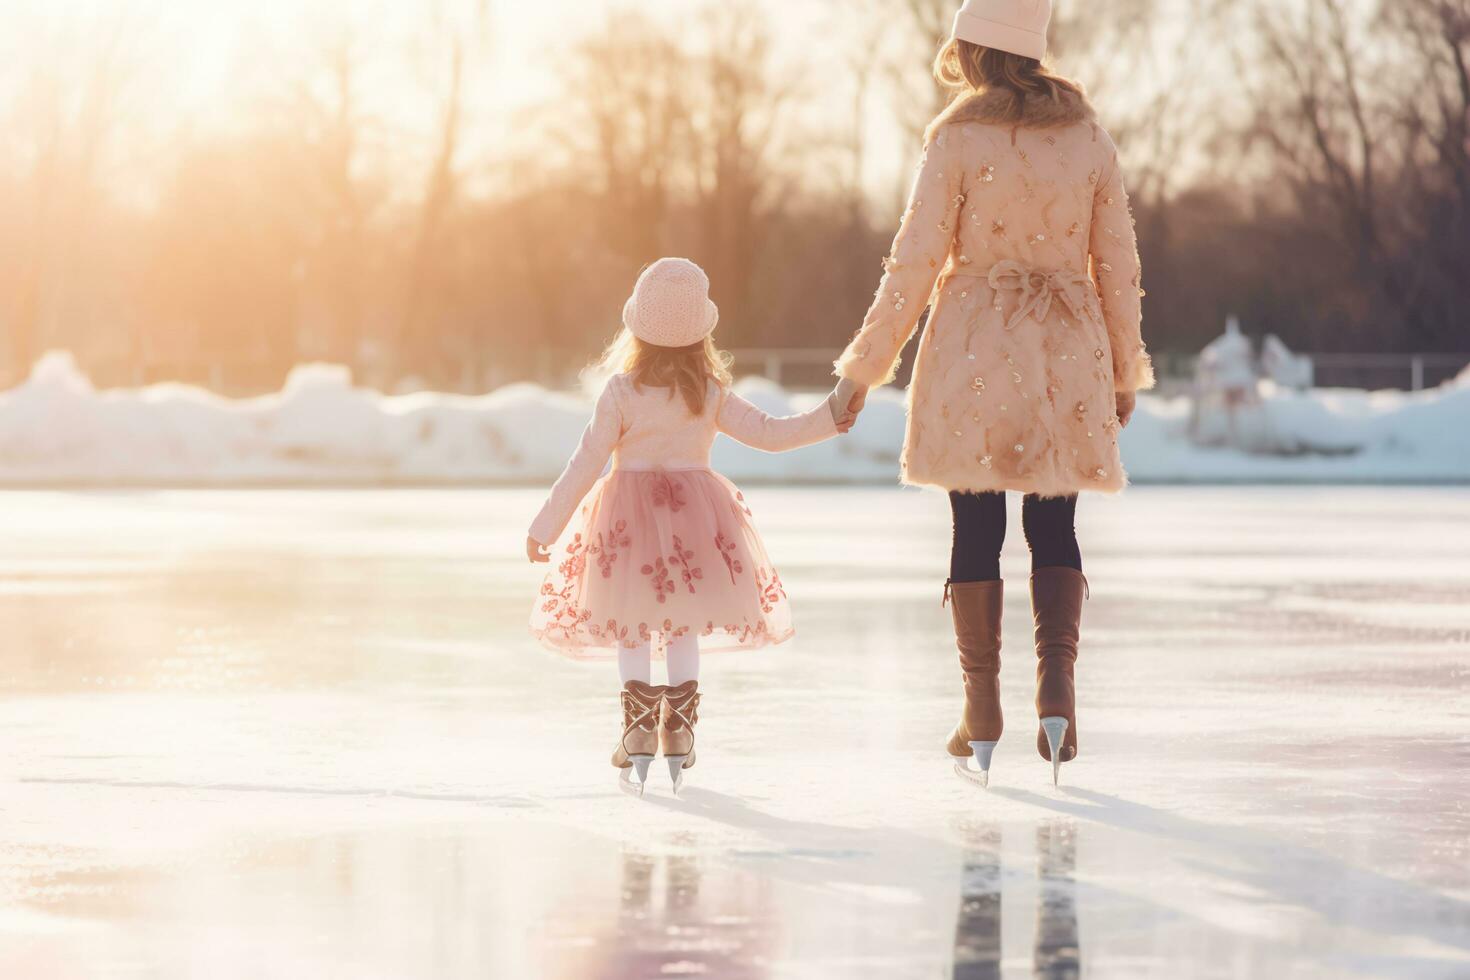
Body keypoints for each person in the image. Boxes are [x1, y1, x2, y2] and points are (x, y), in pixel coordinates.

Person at [832, 0, 1153, 785]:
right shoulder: (1089, 140)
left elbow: (912, 264)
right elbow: (1118, 268)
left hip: (974, 344)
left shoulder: (957, 139)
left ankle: (981, 709)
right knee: (1055, 520)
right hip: (1065, 344)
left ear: (974, 51)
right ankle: (1058, 692)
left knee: (974, 522)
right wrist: (1121, 366)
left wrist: (861, 371)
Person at [527, 258, 851, 794]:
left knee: (629, 621)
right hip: (695, 522)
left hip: (624, 524)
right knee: (681, 624)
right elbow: (770, 434)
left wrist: (546, 525)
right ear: (702, 332)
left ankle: (636, 731)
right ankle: (676, 731)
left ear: (638, 328)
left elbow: (586, 461)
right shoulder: (708, 391)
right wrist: (830, 415)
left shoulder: (621, 390)